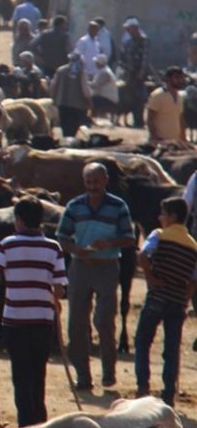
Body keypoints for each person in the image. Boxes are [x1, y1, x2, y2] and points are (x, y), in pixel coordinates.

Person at [0, 196, 67, 426]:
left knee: (21, 378)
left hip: (15, 321)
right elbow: (59, 288)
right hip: (42, 321)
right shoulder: (54, 247)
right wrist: (52, 301)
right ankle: (40, 423)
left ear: (18, 220)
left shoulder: (8, 244)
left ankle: (26, 424)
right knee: (38, 376)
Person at [58, 162, 135, 390]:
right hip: (80, 267)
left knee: (103, 321)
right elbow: (62, 237)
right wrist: (75, 250)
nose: (92, 186)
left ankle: (108, 373)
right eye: (89, 182)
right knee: (76, 325)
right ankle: (83, 376)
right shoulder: (74, 206)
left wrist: (109, 243)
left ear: (105, 181)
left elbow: (130, 239)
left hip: (107, 267)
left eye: (96, 182)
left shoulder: (118, 206)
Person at [135, 196, 197, 406]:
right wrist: (186, 297)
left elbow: (143, 255)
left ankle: (143, 387)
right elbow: (194, 279)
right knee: (171, 349)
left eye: (163, 214)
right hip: (177, 301)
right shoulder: (193, 245)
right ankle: (168, 393)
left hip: (157, 296)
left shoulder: (158, 235)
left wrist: (151, 279)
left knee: (143, 341)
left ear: (172, 216)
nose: (160, 218)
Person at [50, 53, 92, 140]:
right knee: (74, 126)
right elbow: (85, 90)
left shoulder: (60, 70)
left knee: (65, 126)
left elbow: (53, 86)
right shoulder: (81, 72)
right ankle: (71, 141)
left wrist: (54, 99)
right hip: (77, 105)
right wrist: (89, 100)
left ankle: (66, 141)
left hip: (62, 103)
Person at [146, 66, 187, 143]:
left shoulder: (180, 96)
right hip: (160, 141)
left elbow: (180, 119)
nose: (180, 80)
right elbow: (150, 119)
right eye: (177, 78)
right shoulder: (157, 95)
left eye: (181, 78)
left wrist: (183, 138)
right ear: (168, 79)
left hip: (175, 142)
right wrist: (155, 137)